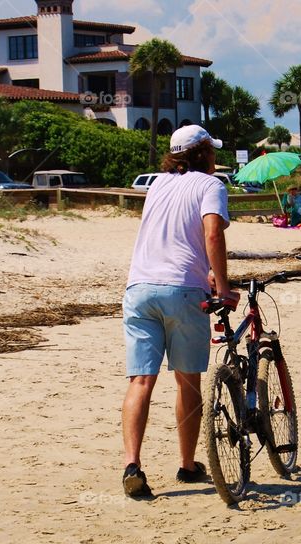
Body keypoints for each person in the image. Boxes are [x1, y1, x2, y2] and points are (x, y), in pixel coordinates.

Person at [120, 124, 237, 499]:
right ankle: (187, 466)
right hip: (183, 291)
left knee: (140, 381)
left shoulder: (156, 184)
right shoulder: (210, 186)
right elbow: (212, 235)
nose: (216, 157)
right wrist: (223, 286)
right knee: (187, 382)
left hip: (139, 288)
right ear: (203, 153)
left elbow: (166, 235)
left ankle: (132, 463)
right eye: (212, 151)